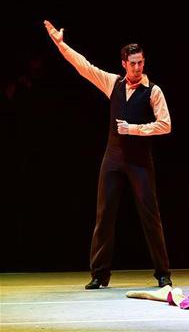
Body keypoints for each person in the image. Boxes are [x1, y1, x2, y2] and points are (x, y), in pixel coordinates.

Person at [44, 20, 172, 289]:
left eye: (141, 62)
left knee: (151, 216)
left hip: (139, 162)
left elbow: (166, 124)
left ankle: (163, 273)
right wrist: (60, 43)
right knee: (104, 215)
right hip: (113, 158)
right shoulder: (112, 83)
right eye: (133, 63)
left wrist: (134, 129)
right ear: (124, 63)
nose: (138, 67)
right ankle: (99, 274)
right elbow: (84, 67)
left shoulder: (153, 91)